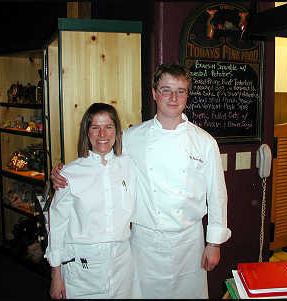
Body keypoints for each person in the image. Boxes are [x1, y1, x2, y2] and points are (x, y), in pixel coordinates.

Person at [51, 63, 231, 299]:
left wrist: (214, 243)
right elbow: (100, 163)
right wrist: (63, 175)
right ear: (155, 94)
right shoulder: (132, 137)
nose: (174, 98)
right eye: (166, 90)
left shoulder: (204, 142)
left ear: (188, 94)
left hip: (189, 243)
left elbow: (217, 194)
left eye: (181, 91)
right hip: (145, 244)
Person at [45, 103, 140, 299]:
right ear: (87, 133)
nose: (102, 134)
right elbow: (57, 224)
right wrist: (56, 275)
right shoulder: (70, 174)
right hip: (83, 268)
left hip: (122, 264)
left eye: (108, 127)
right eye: (95, 127)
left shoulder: (130, 166)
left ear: (117, 131)